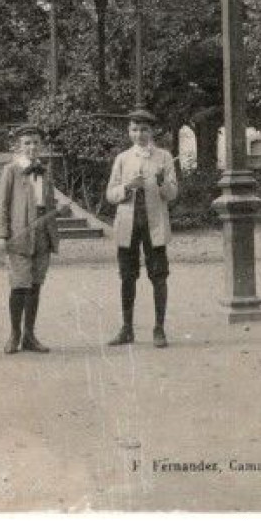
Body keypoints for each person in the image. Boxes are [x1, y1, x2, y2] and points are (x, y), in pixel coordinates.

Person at [106, 108, 178, 349]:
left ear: (152, 131)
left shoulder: (164, 157)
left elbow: (172, 193)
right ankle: (127, 328)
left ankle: (159, 328)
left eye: (144, 129)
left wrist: (160, 182)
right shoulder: (122, 159)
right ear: (129, 132)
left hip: (153, 224)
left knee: (159, 275)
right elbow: (110, 194)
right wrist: (127, 187)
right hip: (128, 225)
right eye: (134, 129)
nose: (139, 134)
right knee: (127, 276)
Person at [0, 124, 59, 354]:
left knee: (35, 285)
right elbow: (1, 206)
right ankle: (14, 334)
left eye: (36, 143)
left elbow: (47, 202)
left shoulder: (45, 170)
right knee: (19, 286)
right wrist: (1, 235)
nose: (32, 147)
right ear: (18, 147)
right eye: (27, 143)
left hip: (43, 234)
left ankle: (30, 335)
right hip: (19, 235)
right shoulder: (11, 170)